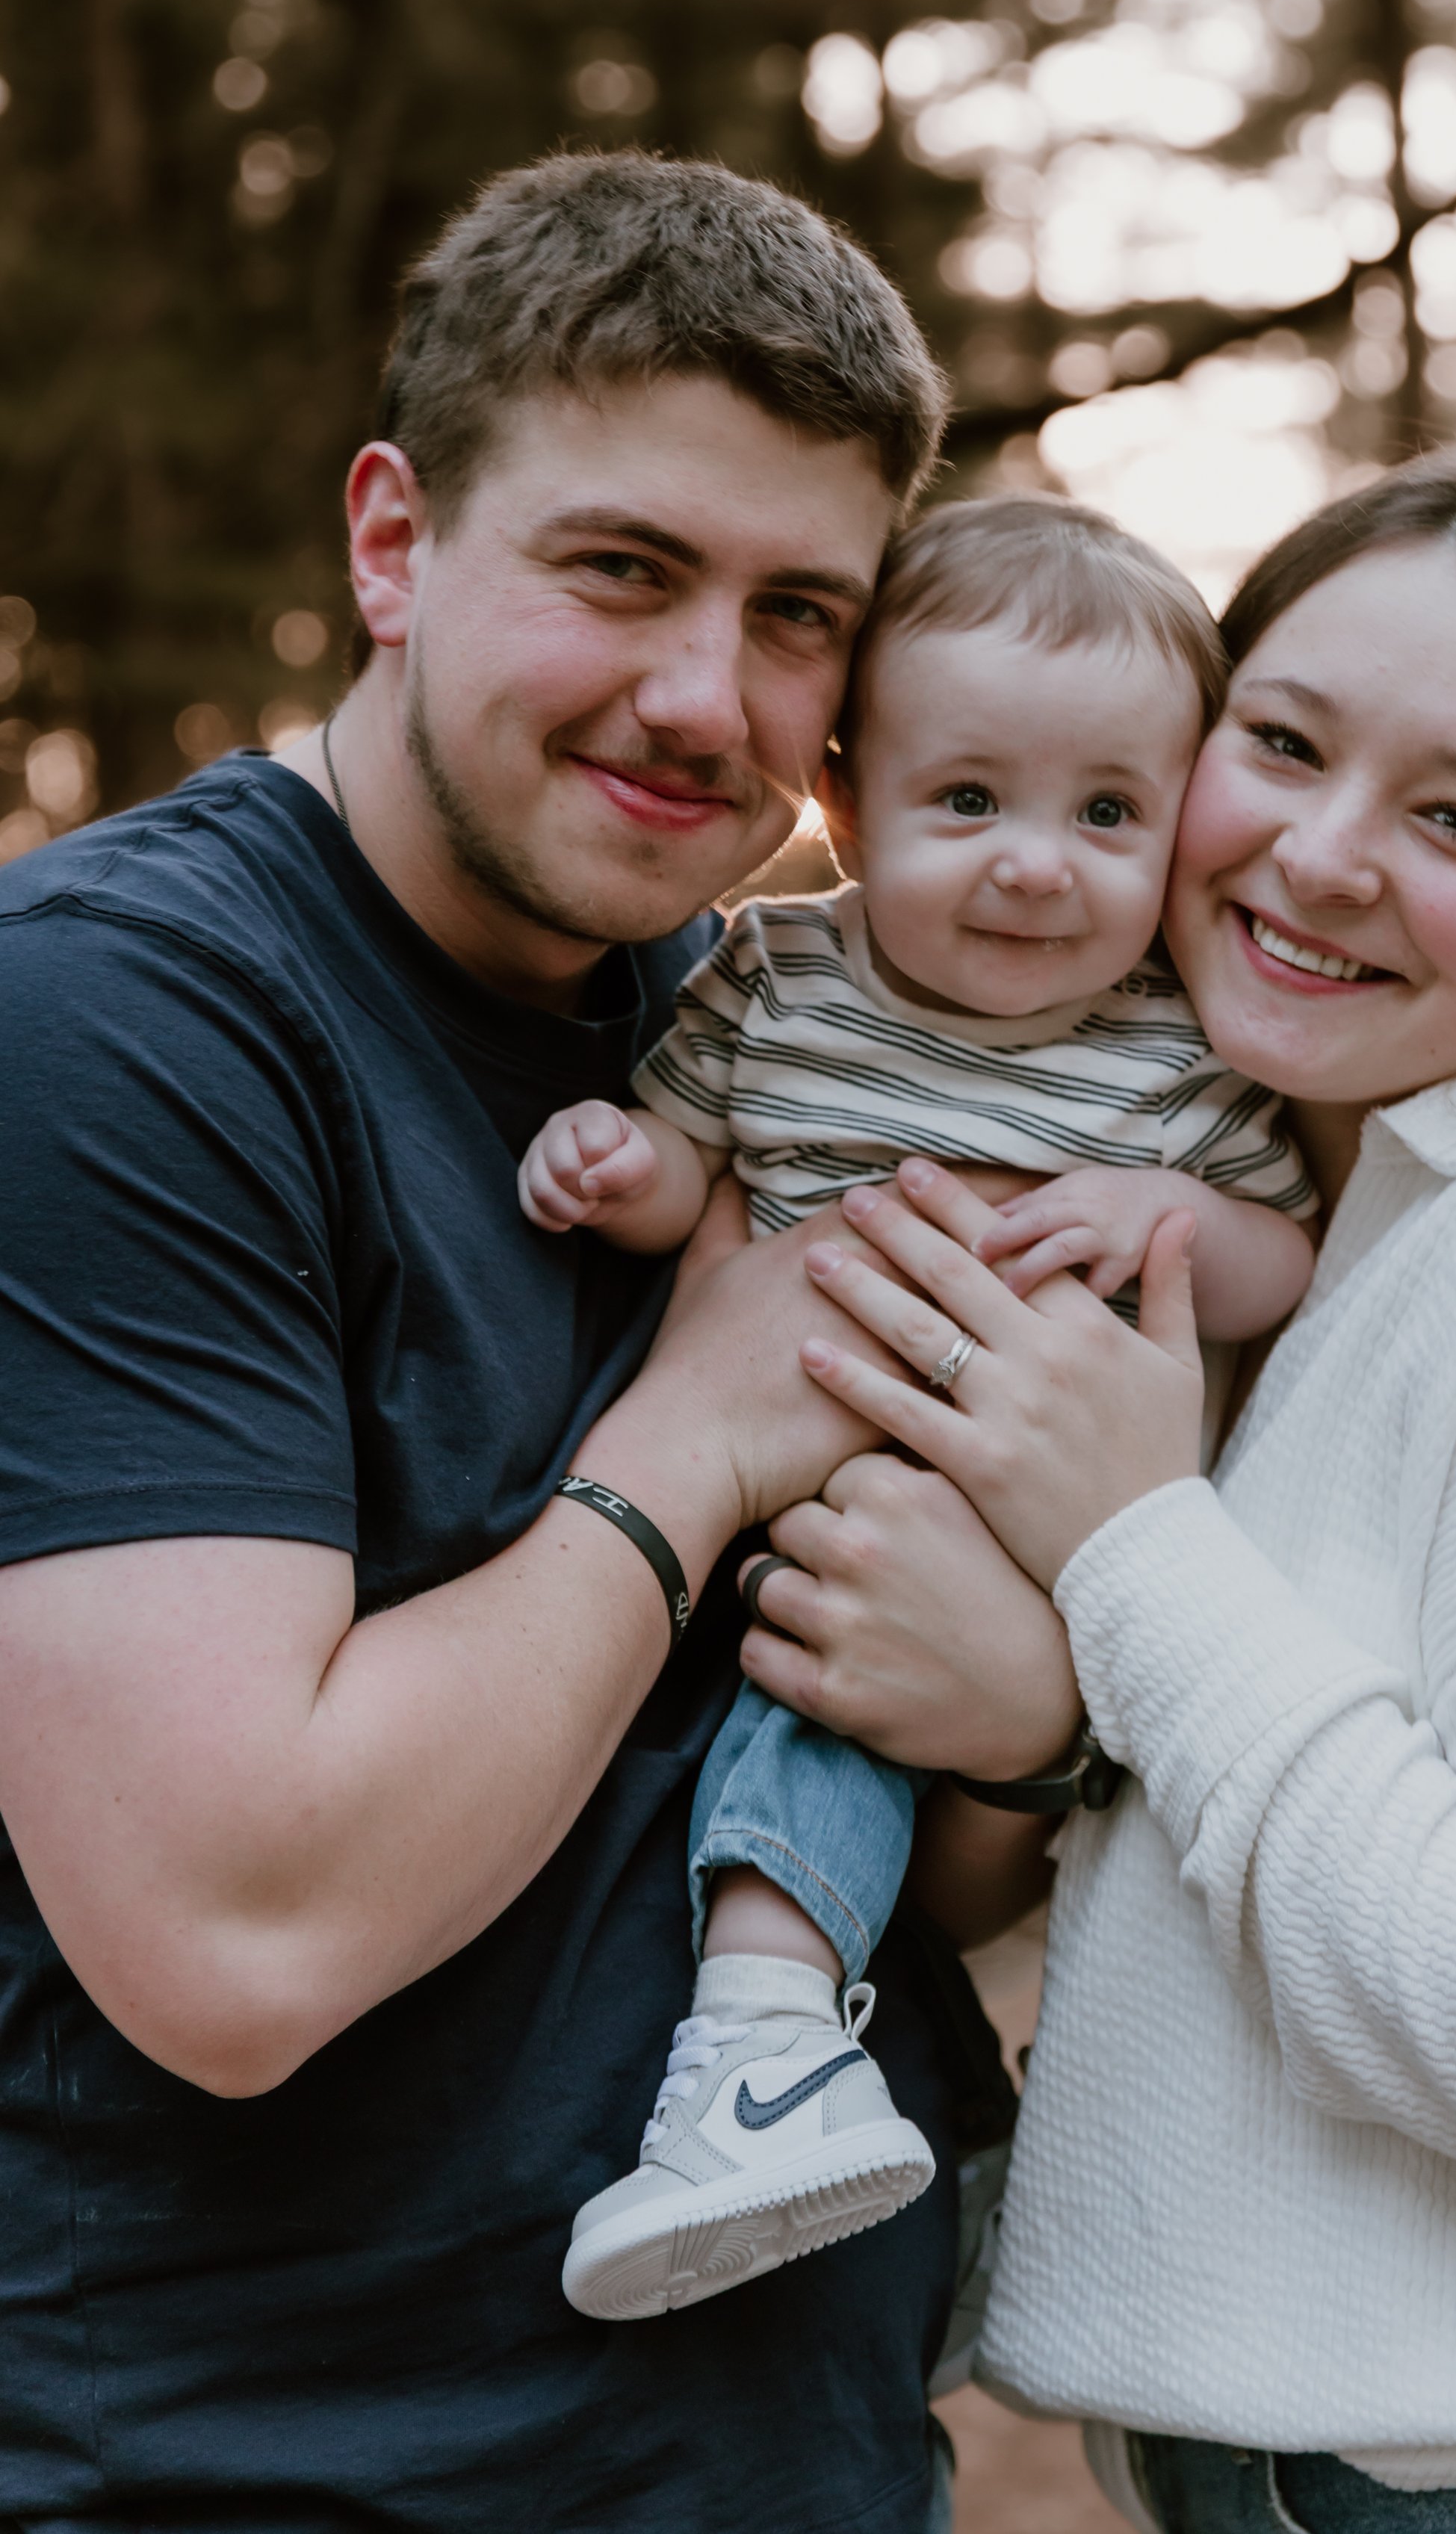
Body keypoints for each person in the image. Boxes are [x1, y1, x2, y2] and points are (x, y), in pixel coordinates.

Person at [0, 149, 1076, 2534]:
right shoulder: (119, 1019)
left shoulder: (764, 1046)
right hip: (271, 2476)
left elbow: (912, 1845)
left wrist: (1019, 1707)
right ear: (392, 543)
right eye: (621, 568)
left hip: (796, 2464)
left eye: (799, 612)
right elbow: (227, 1924)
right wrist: (686, 1438)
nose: (707, 697)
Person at [741, 450, 1456, 2530]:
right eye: (1280, 744)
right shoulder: (1319, 1212)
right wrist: (1051, 1712)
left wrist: (1130, 1547)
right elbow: (1237, 1826)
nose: (1321, 854)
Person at [518, 493, 1316, 2323]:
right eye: (969, 804)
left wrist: (1171, 1217)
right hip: (772, 1489)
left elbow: (1284, 1258)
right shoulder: (774, 976)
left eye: (1107, 815)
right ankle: (867, 2115)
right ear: (846, 802)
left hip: (993, 1529)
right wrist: (609, 1163)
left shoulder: (1171, 1054)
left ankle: (763, 2041)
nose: (1039, 868)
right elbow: (682, 1157)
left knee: (833, 1707)